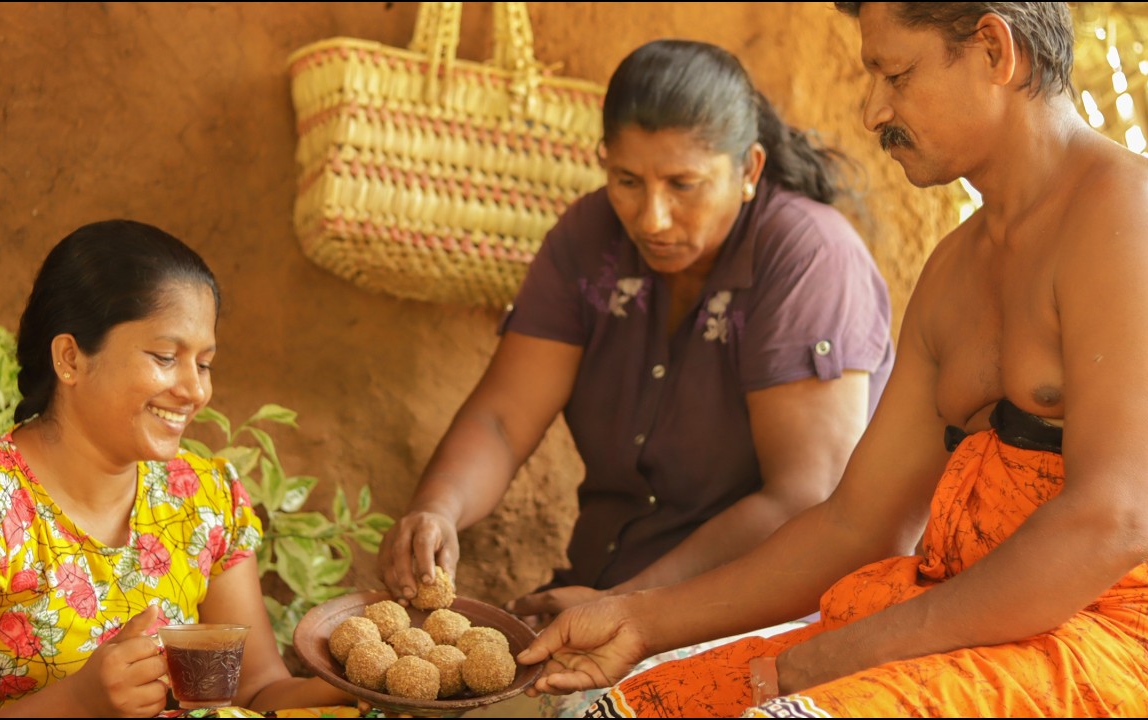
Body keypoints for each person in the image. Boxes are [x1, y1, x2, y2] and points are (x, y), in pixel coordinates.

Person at [517, 2, 1148, 717]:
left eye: (895, 73)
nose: (871, 110)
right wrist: (640, 620)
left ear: (993, 51)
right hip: (960, 625)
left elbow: (1116, 521)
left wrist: (852, 650)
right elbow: (857, 525)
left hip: (1110, 637)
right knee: (612, 712)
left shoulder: (1132, 214)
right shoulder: (953, 267)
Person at [378, 38, 894, 631]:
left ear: (748, 170)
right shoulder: (588, 238)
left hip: (759, 615)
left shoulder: (808, 256)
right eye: (626, 179)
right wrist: (437, 509)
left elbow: (806, 497)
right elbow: (501, 420)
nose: (651, 218)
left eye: (683, 184)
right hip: (604, 597)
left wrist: (631, 607)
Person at [0, 220, 357, 717]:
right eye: (165, 356)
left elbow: (257, 692)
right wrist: (80, 701)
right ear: (70, 358)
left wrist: (356, 685)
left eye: (204, 363)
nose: (195, 390)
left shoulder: (199, 496)